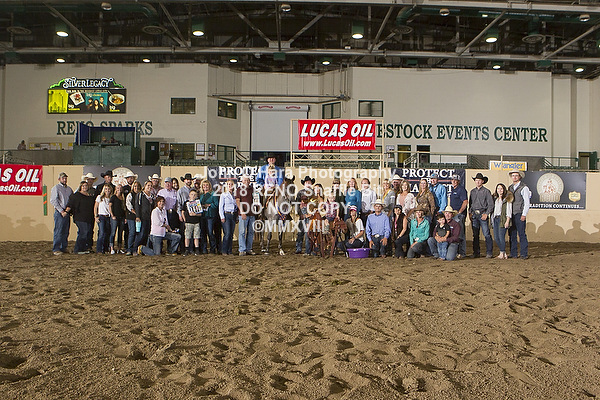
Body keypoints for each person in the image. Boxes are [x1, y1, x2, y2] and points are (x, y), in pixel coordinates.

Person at [469, 172, 494, 258]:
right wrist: (470, 213)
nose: (478, 182)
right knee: (475, 235)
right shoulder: (472, 191)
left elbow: (491, 204)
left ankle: (489, 252)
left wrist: (486, 214)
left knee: (486, 234)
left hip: (483, 213)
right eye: (476, 180)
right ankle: (476, 252)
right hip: (474, 214)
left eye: (479, 180)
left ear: (482, 181)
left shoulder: (486, 191)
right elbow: (470, 204)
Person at [65, 180, 95, 254]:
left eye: (86, 186)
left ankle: (84, 248)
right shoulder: (76, 195)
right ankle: (77, 249)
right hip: (80, 217)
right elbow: (70, 204)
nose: (85, 187)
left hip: (89, 217)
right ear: (80, 187)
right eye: (83, 186)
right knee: (83, 232)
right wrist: (66, 212)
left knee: (88, 232)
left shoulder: (90, 196)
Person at [507, 169, 531, 259]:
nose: (514, 177)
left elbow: (527, 202)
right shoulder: (510, 188)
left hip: (519, 213)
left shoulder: (524, 188)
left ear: (519, 177)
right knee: (512, 234)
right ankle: (513, 253)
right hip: (511, 213)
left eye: (516, 175)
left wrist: (524, 214)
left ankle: (524, 253)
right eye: (513, 176)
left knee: (521, 234)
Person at [50, 172, 73, 255]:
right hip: (60, 212)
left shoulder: (69, 189)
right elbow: (53, 201)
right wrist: (61, 211)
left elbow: (71, 200)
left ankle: (63, 247)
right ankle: (56, 248)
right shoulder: (56, 188)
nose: (64, 180)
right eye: (63, 178)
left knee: (66, 231)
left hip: (67, 212)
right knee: (58, 230)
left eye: (65, 178)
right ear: (59, 179)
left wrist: (67, 211)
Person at [236, 174, 257, 256]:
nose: (246, 182)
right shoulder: (239, 189)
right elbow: (238, 201)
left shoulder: (252, 189)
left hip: (252, 213)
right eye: (245, 180)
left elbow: (255, 199)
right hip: (243, 214)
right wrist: (242, 211)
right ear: (242, 181)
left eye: (248, 180)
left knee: (251, 232)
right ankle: (242, 249)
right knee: (242, 232)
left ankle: (249, 248)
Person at [448, 174, 468, 258]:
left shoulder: (461, 190)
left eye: (455, 180)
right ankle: (457, 252)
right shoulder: (453, 190)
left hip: (459, 215)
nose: (453, 181)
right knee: (455, 233)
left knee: (461, 234)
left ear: (458, 181)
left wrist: (459, 212)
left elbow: (465, 202)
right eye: (452, 180)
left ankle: (462, 253)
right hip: (454, 215)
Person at [493, 183, 513, 260]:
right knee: (496, 237)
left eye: (501, 189)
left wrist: (507, 221)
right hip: (496, 219)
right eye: (498, 188)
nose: (499, 190)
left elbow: (509, 211)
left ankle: (502, 253)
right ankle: (503, 252)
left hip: (503, 219)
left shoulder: (507, 199)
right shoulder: (496, 199)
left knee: (501, 237)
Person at [295, 176, 315, 254]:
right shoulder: (300, 192)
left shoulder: (313, 193)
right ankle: (298, 248)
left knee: (308, 233)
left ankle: (308, 249)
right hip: (302, 214)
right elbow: (297, 203)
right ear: (304, 184)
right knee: (300, 232)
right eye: (307, 183)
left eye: (309, 183)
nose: (308, 184)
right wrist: (299, 213)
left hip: (310, 215)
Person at [199, 180, 220, 254]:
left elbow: (216, 204)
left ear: (209, 186)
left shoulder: (213, 194)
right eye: (204, 185)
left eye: (207, 185)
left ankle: (212, 248)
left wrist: (209, 205)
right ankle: (204, 248)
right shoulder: (201, 195)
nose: (205, 187)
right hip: (202, 215)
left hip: (210, 216)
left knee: (210, 232)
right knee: (203, 233)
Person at [134, 181, 154, 251]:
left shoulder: (152, 196)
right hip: (142, 217)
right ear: (145, 186)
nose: (149, 187)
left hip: (150, 218)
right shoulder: (140, 195)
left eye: (151, 186)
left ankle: (143, 249)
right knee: (141, 234)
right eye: (148, 185)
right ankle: (135, 249)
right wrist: (138, 216)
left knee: (147, 234)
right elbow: (137, 206)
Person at [219, 179, 237, 255]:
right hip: (226, 214)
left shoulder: (235, 195)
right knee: (227, 233)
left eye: (231, 184)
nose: (230, 186)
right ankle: (224, 250)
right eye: (228, 184)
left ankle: (229, 251)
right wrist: (222, 216)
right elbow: (221, 207)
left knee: (231, 234)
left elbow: (236, 206)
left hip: (233, 214)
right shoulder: (223, 195)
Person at [94, 184, 113, 254]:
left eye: (108, 189)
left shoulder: (111, 198)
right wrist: (96, 216)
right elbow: (95, 207)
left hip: (108, 217)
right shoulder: (99, 197)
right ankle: (99, 249)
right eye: (106, 189)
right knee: (101, 232)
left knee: (107, 233)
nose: (107, 190)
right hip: (101, 216)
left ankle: (105, 248)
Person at [182, 189, 202, 256]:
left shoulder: (198, 203)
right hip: (188, 222)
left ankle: (197, 249)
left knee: (196, 236)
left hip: (196, 222)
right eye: (192, 194)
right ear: (189, 195)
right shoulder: (186, 203)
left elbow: (200, 213)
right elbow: (183, 211)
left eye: (194, 195)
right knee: (187, 236)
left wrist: (195, 214)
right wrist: (184, 219)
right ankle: (186, 249)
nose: (193, 196)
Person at [125, 181, 141, 255]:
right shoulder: (130, 195)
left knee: (138, 233)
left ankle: (135, 249)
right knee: (132, 232)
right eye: (135, 186)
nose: (136, 188)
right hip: (131, 216)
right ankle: (129, 249)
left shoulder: (141, 195)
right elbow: (128, 205)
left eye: (137, 186)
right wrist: (135, 212)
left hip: (139, 217)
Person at [109, 184, 126, 254]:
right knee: (113, 232)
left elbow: (124, 209)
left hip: (121, 217)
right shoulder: (113, 197)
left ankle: (119, 248)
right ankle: (112, 248)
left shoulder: (123, 198)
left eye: (120, 188)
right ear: (116, 189)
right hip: (115, 217)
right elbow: (110, 206)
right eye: (118, 188)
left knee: (120, 233)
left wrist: (125, 217)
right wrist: (112, 215)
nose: (119, 189)